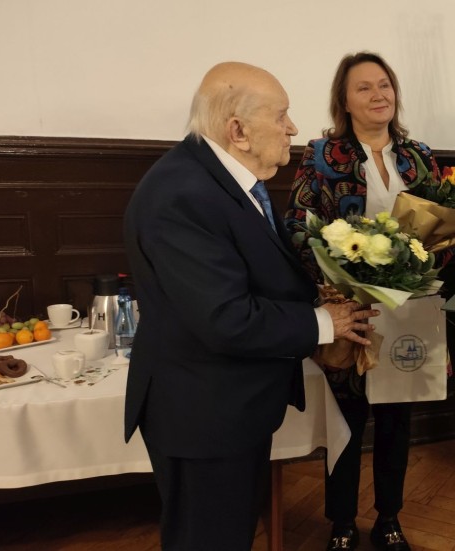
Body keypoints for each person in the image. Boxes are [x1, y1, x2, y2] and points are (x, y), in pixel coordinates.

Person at [123, 61, 379, 551]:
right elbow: (225, 318)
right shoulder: (183, 193)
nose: (293, 128)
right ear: (237, 131)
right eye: (281, 116)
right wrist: (322, 323)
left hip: (227, 409)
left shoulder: (221, 180)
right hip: (203, 416)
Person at [285, 52, 439, 551]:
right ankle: (342, 523)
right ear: (344, 101)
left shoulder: (418, 156)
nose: (378, 95)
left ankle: (389, 518)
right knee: (345, 423)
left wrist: (420, 265)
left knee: (396, 422)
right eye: (364, 87)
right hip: (349, 312)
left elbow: (442, 227)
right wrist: (338, 275)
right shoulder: (321, 154)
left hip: (407, 309)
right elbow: (296, 226)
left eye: (385, 84)